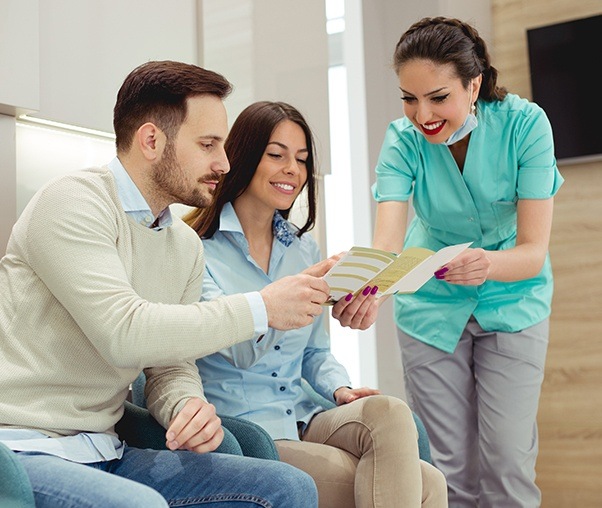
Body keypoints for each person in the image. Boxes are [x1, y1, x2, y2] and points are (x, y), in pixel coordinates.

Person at [0, 60, 325, 507]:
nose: (225, 163)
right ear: (151, 140)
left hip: (105, 449)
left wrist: (185, 406)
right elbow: (124, 333)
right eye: (208, 144)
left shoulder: (183, 245)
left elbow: (170, 366)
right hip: (21, 449)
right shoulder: (72, 203)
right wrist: (260, 308)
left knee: (287, 487)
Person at [184, 100, 448, 508]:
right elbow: (237, 348)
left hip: (305, 413)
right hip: (247, 428)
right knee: (426, 484)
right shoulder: (196, 251)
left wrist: (339, 389)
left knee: (392, 413)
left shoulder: (303, 247)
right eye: (277, 155)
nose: (293, 169)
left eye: (302, 159)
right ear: (244, 156)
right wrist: (287, 295)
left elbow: (315, 352)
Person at [371, 17, 564, 507]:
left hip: (513, 299)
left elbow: (532, 251)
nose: (422, 114)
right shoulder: (402, 140)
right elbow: (387, 243)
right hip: (430, 306)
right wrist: (364, 283)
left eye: (438, 98)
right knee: (446, 472)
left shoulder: (525, 125)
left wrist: (486, 265)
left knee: (508, 464)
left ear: (473, 83)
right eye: (409, 99)